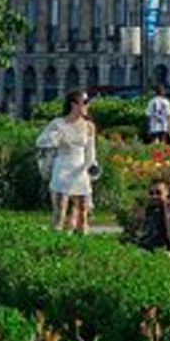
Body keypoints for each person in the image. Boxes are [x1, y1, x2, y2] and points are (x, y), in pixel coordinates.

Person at [36, 90, 100, 234]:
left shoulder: (89, 126)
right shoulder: (58, 124)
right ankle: (56, 242)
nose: (87, 105)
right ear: (73, 104)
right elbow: (40, 141)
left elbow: (90, 151)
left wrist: (91, 168)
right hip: (63, 168)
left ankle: (82, 243)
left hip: (80, 169)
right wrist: (55, 138)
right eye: (85, 102)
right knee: (60, 210)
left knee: (83, 211)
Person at [136, 181, 170, 253]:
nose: (154, 196)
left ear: (167, 194)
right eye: (151, 193)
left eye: (158, 193)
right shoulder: (151, 210)